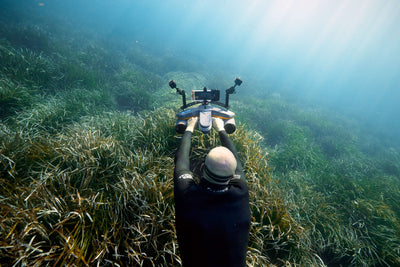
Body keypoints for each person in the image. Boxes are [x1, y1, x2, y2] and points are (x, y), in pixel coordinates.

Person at [173, 116, 251, 267]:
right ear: (233, 175)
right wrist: (222, 128)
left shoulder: (187, 196)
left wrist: (189, 128)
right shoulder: (240, 193)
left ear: (202, 168)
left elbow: (181, 162)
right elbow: (236, 161)